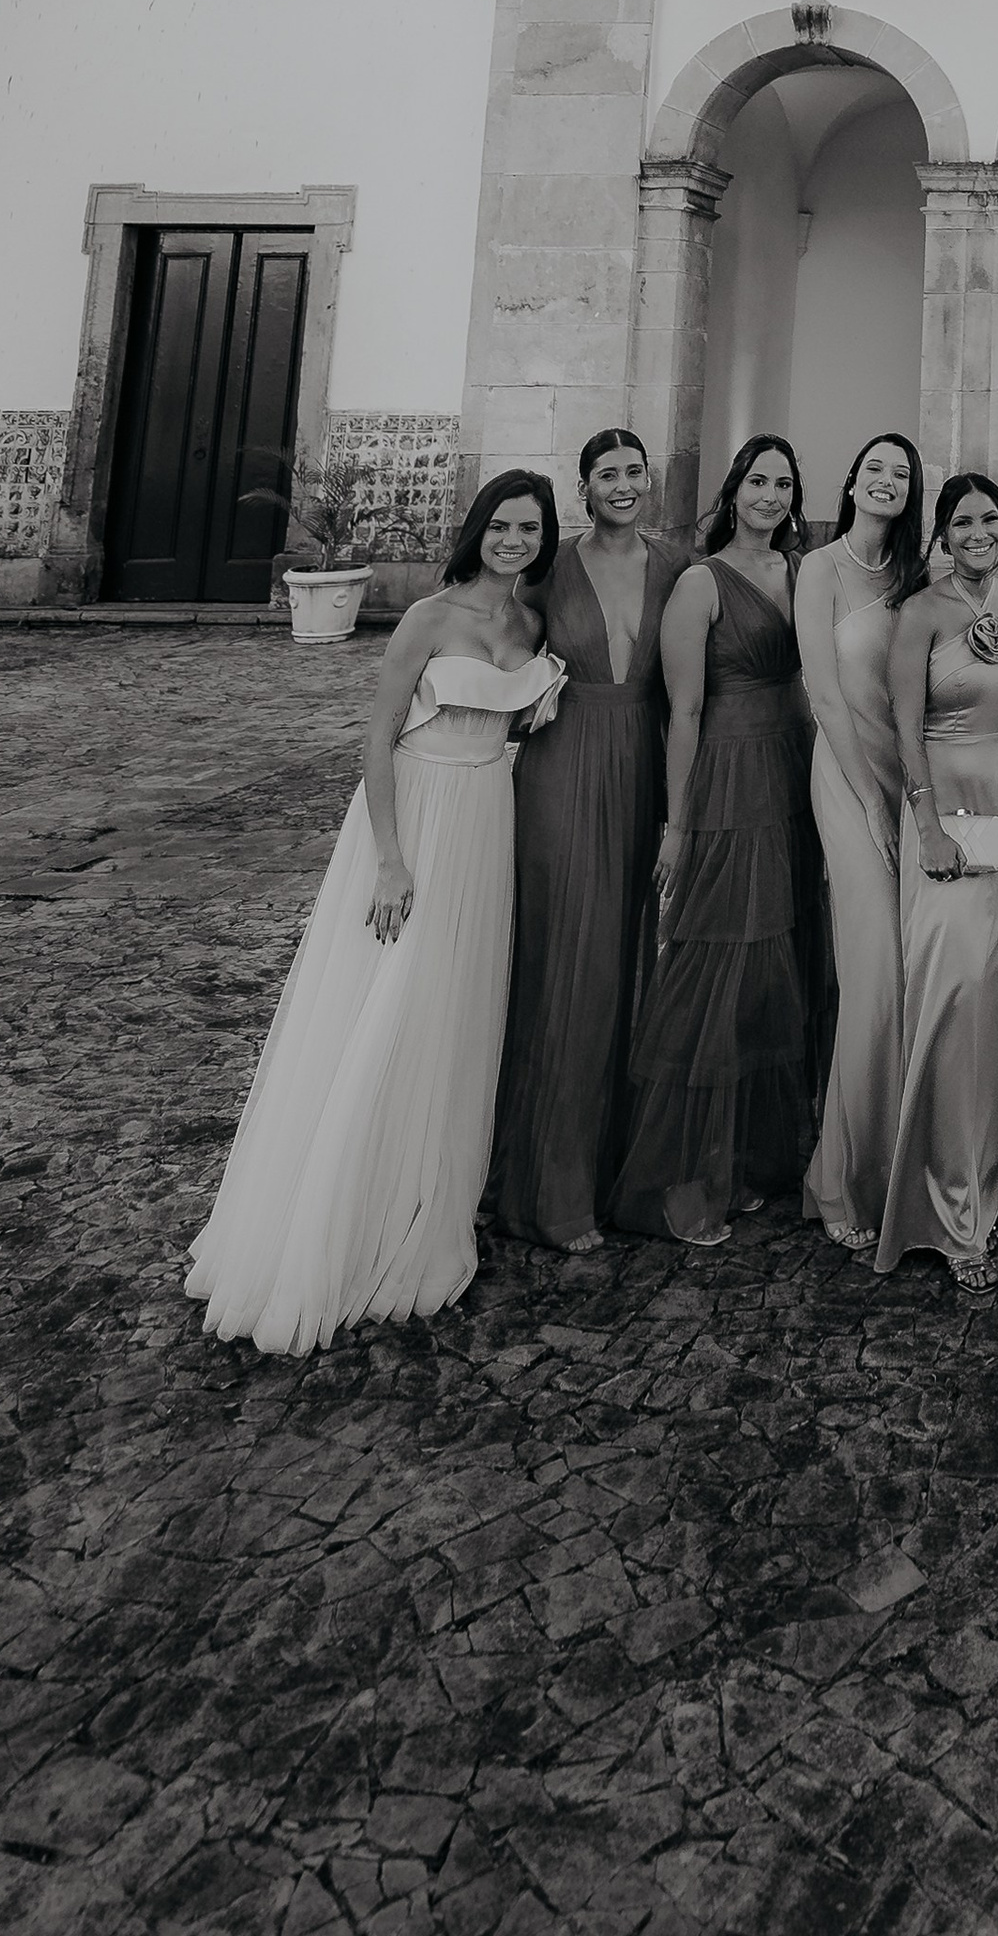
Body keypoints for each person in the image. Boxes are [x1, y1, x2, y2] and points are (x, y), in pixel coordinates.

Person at [186, 473, 567, 1355]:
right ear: (479, 529)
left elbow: (508, 727)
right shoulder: (430, 615)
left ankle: (419, 1198)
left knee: (451, 1007)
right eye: (502, 525)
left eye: (529, 528)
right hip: (417, 817)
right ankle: (334, 1217)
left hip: (486, 818)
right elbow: (379, 732)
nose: (513, 539)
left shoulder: (530, 622)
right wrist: (390, 857)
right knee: (385, 1001)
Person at [607, 435, 820, 1248]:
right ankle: (681, 1176)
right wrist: (677, 821)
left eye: (784, 483)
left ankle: (746, 1160)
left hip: (789, 771)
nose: (770, 494)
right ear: (733, 490)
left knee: (773, 961)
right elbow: (684, 711)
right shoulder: (701, 582)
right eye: (758, 480)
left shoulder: (801, 571)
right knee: (715, 960)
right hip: (726, 777)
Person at [487, 427, 688, 1252]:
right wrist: (513, 700)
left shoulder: (678, 567)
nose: (622, 484)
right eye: (606, 473)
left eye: (634, 471)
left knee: (636, 961)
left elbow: (693, 689)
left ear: (650, 479)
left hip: (646, 758)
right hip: (564, 771)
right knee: (571, 963)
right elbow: (493, 645)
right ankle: (549, 1187)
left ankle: (621, 1168)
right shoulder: (546, 568)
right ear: (584, 486)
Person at [875, 475, 998, 1287]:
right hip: (950, 813)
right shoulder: (919, 613)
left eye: (989, 519)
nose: (977, 532)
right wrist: (926, 823)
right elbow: (904, 726)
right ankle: (950, 1210)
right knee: (958, 990)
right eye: (962, 522)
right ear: (942, 534)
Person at [796, 433, 925, 1255]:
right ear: (851, 480)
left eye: (901, 473)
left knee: (915, 966)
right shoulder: (821, 568)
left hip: (910, 779)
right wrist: (871, 803)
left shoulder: (917, 577)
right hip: (847, 778)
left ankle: (901, 1160)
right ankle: (839, 1178)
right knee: (874, 968)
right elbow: (824, 693)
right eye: (874, 467)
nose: (885, 480)